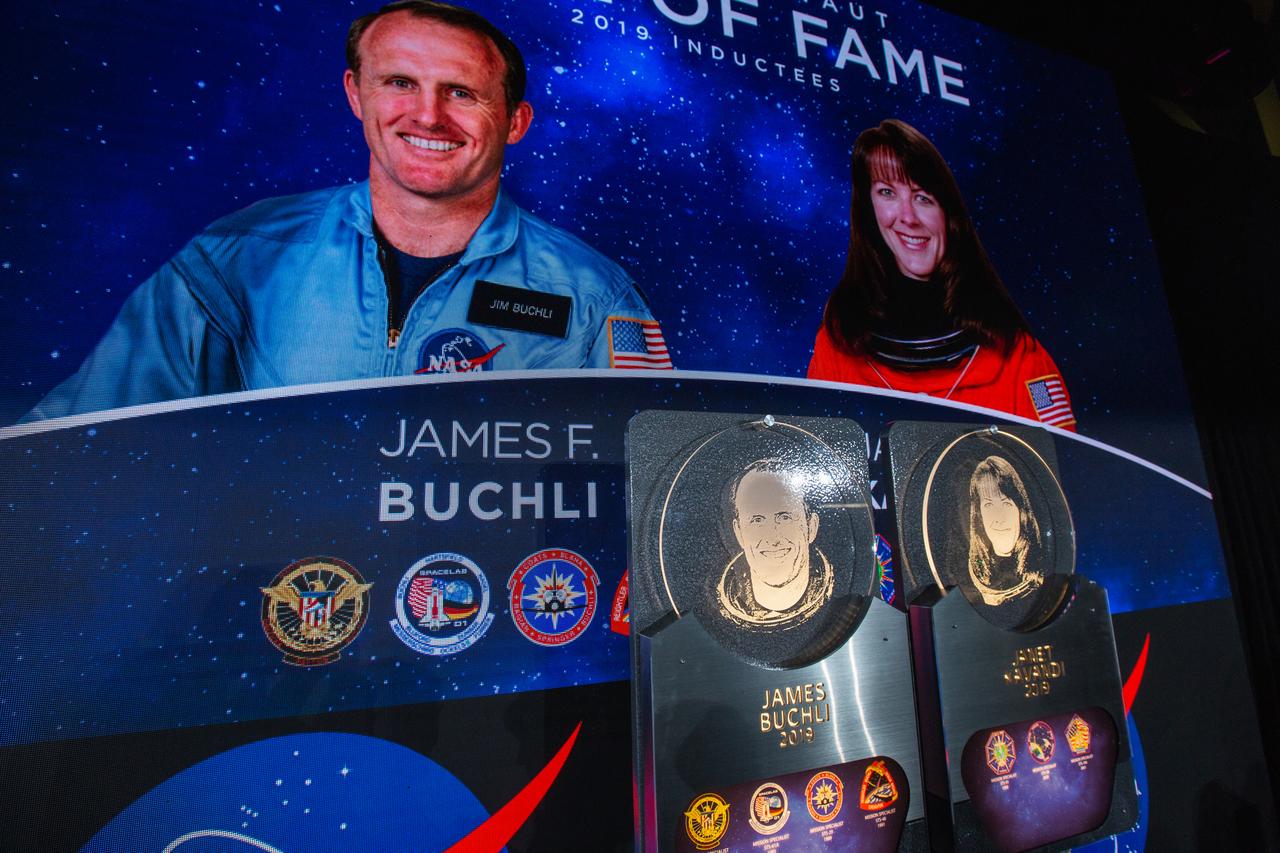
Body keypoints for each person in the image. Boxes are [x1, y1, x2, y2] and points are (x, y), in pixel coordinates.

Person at [24, 0, 670, 423]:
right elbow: (75, 448)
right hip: (265, 592)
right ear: (356, 94)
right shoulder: (234, 261)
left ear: (515, 121)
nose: (427, 115)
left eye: (461, 92)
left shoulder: (595, 297)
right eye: (399, 83)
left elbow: (658, 479)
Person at [807, 119, 1075, 431]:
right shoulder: (838, 347)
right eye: (887, 192)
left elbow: (1058, 459)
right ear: (868, 208)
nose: (908, 217)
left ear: (949, 215)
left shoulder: (1019, 358)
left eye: (922, 197)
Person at [716, 459, 833, 628]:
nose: (773, 539)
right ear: (739, 532)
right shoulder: (712, 612)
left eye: (785, 517)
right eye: (757, 520)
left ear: (811, 527)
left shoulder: (842, 603)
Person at [966, 455, 1044, 605]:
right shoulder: (969, 573)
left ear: (1021, 511)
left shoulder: (1040, 569)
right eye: (988, 505)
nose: (999, 518)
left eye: (1006, 504)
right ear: (979, 514)